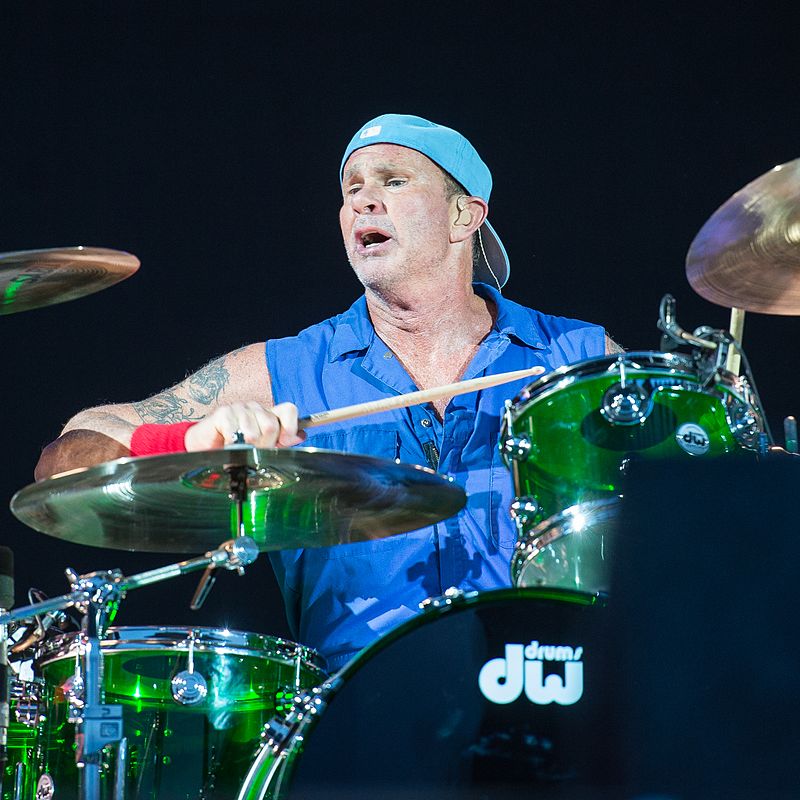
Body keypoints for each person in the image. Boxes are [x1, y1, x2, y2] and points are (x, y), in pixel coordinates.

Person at [36, 114, 619, 670]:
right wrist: (191, 438)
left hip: (555, 678)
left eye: (394, 181)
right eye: (352, 189)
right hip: (358, 700)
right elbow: (68, 456)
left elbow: (673, 495)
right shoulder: (284, 369)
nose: (365, 200)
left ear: (464, 216)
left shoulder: (581, 357)